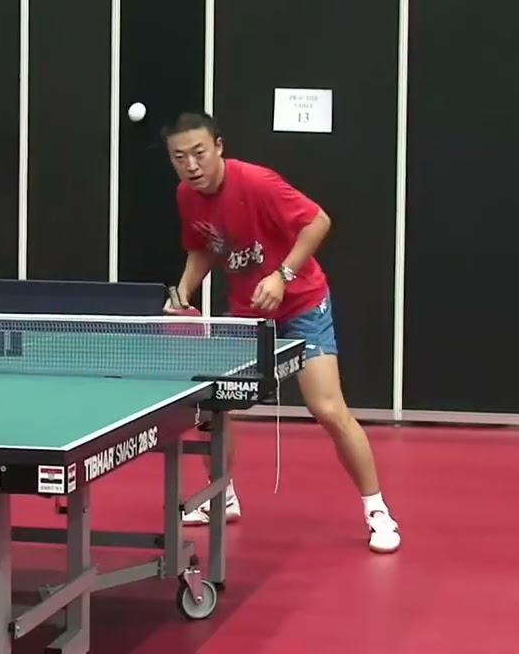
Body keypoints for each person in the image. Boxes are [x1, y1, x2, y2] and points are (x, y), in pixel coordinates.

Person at [162, 111, 401, 554]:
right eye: (180, 158)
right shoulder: (187, 196)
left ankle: (377, 511)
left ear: (218, 147)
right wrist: (180, 294)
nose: (191, 165)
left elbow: (319, 221)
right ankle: (223, 497)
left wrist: (282, 275)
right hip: (248, 314)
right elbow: (201, 248)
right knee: (213, 406)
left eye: (199, 153)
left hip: (302, 303)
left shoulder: (257, 183)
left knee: (327, 408)